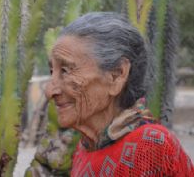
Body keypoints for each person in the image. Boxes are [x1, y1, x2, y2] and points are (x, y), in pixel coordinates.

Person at [44, 12, 193, 176]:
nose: (50, 91)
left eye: (65, 71)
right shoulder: (85, 148)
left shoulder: (150, 145)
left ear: (117, 75)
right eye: (52, 71)